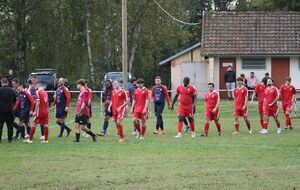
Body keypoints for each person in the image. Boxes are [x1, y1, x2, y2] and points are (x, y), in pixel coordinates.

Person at [0, 78, 17, 143]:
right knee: (10, 125)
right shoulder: (12, 90)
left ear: (2, 82)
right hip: (10, 110)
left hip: (1, 110)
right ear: (7, 82)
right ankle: (10, 139)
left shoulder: (0, 90)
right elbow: (14, 100)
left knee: (0, 125)